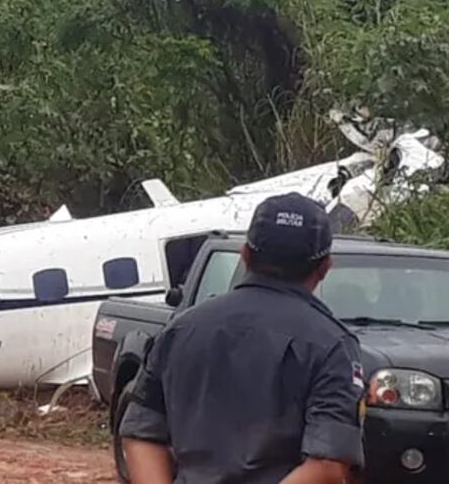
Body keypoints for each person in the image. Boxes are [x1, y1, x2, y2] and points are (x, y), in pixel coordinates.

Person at [120, 192, 365, 484]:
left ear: (245, 255)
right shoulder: (332, 345)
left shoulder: (181, 329)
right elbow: (327, 464)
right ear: (325, 267)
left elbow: (140, 432)